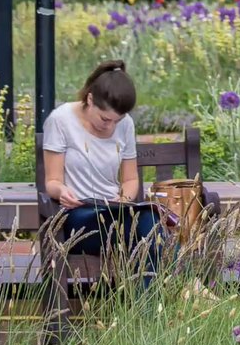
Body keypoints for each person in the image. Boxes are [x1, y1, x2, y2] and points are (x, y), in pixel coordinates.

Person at [41, 60, 164, 282]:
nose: (110, 126)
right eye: (105, 118)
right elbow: (52, 181)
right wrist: (62, 192)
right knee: (150, 232)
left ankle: (146, 309)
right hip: (78, 217)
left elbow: (130, 179)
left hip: (116, 214)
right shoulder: (60, 120)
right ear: (90, 99)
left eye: (117, 121)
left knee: (151, 225)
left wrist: (123, 199)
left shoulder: (125, 124)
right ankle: (184, 287)